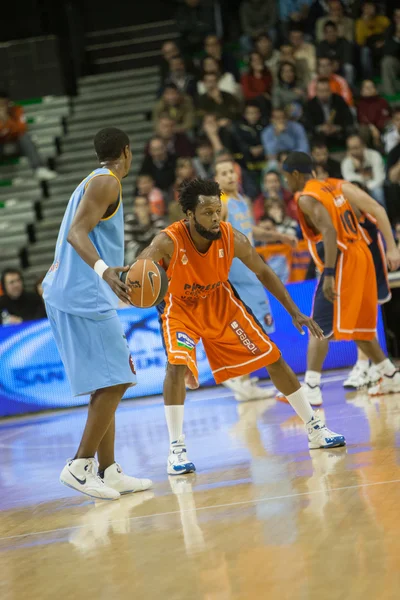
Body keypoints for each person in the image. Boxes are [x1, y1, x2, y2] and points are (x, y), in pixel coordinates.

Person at [138, 178, 345, 475]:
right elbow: (142, 272)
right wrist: (133, 283)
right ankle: (176, 450)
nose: (215, 218)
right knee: (175, 366)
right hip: (180, 308)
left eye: (218, 210)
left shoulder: (231, 237)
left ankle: (314, 428)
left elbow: (263, 271)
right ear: (189, 215)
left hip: (222, 304)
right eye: (207, 212)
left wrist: (294, 312)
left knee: (273, 357)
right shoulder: (167, 241)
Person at [42, 127, 153, 500]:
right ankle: (80, 465)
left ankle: (108, 470)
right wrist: (105, 270)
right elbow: (77, 233)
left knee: (108, 382)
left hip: (71, 292)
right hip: (82, 294)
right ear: (127, 151)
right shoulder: (107, 182)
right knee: (119, 379)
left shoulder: (93, 180)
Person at [281, 152, 400, 406]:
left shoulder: (306, 197)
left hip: (343, 259)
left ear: (294, 175)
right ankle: (389, 374)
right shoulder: (335, 185)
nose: (285, 184)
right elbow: (368, 212)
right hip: (362, 254)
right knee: (358, 325)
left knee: (319, 325)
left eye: (285, 177)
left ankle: (311, 386)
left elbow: (330, 231)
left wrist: (330, 274)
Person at [0, 90, 56, 182]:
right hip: (1, 147)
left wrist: (6, 120)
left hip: (16, 145)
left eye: (4, 104)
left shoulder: (17, 110)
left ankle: (39, 169)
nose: (2, 108)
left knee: (25, 137)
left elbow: (21, 129)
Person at [304, 78, 354, 147]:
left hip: (338, 132)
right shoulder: (310, 104)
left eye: (326, 90)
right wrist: (320, 128)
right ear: (316, 91)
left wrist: (337, 128)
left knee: (351, 131)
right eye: (321, 91)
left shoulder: (338, 100)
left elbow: (348, 118)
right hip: (319, 134)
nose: (324, 93)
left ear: (330, 90)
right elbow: (307, 123)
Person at [341, 134, 386, 207]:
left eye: (356, 148)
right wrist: (361, 170)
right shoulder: (346, 163)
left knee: (377, 191)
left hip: (374, 186)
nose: (353, 151)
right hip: (358, 189)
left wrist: (366, 186)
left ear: (363, 146)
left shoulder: (374, 156)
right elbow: (349, 180)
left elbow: (379, 179)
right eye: (350, 148)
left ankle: (382, 217)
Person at [124, 196, 166, 264]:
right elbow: (127, 242)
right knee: (130, 251)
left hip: (154, 251)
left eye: (144, 205)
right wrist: (143, 252)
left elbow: (160, 240)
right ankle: (131, 272)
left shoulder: (157, 220)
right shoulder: (129, 220)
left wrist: (145, 224)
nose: (141, 208)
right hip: (137, 252)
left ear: (149, 206)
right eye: (138, 205)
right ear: (134, 208)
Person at [316, 20, 355, 85]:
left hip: (341, 67)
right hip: (327, 67)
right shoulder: (321, 45)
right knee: (320, 68)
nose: (330, 34)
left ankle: (349, 87)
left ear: (336, 32)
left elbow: (348, 58)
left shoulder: (344, 42)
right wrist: (330, 65)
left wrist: (339, 63)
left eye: (331, 31)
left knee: (349, 67)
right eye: (327, 32)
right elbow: (320, 59)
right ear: (324, 34)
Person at [357, 79, 391, 149]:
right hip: (369, 130)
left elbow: (386, 116)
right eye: (366, 87)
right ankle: (367, 150)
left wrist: (378, 129)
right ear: (361, 91)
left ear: (375, 89)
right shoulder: (360, 104)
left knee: (390, 125)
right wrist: (373, 128)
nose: (369, 89)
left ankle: (390, 148)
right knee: (363, 129)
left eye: (371, 87)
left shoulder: (382, 101)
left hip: (382, 129)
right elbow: (362, 118)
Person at [381, 8, 400, 97]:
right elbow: (387, 51)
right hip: (397, 63)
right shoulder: (390, 29)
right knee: (387, 61)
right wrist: (397, 37)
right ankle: (390, 96)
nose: (398, 19)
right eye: (397, 16)